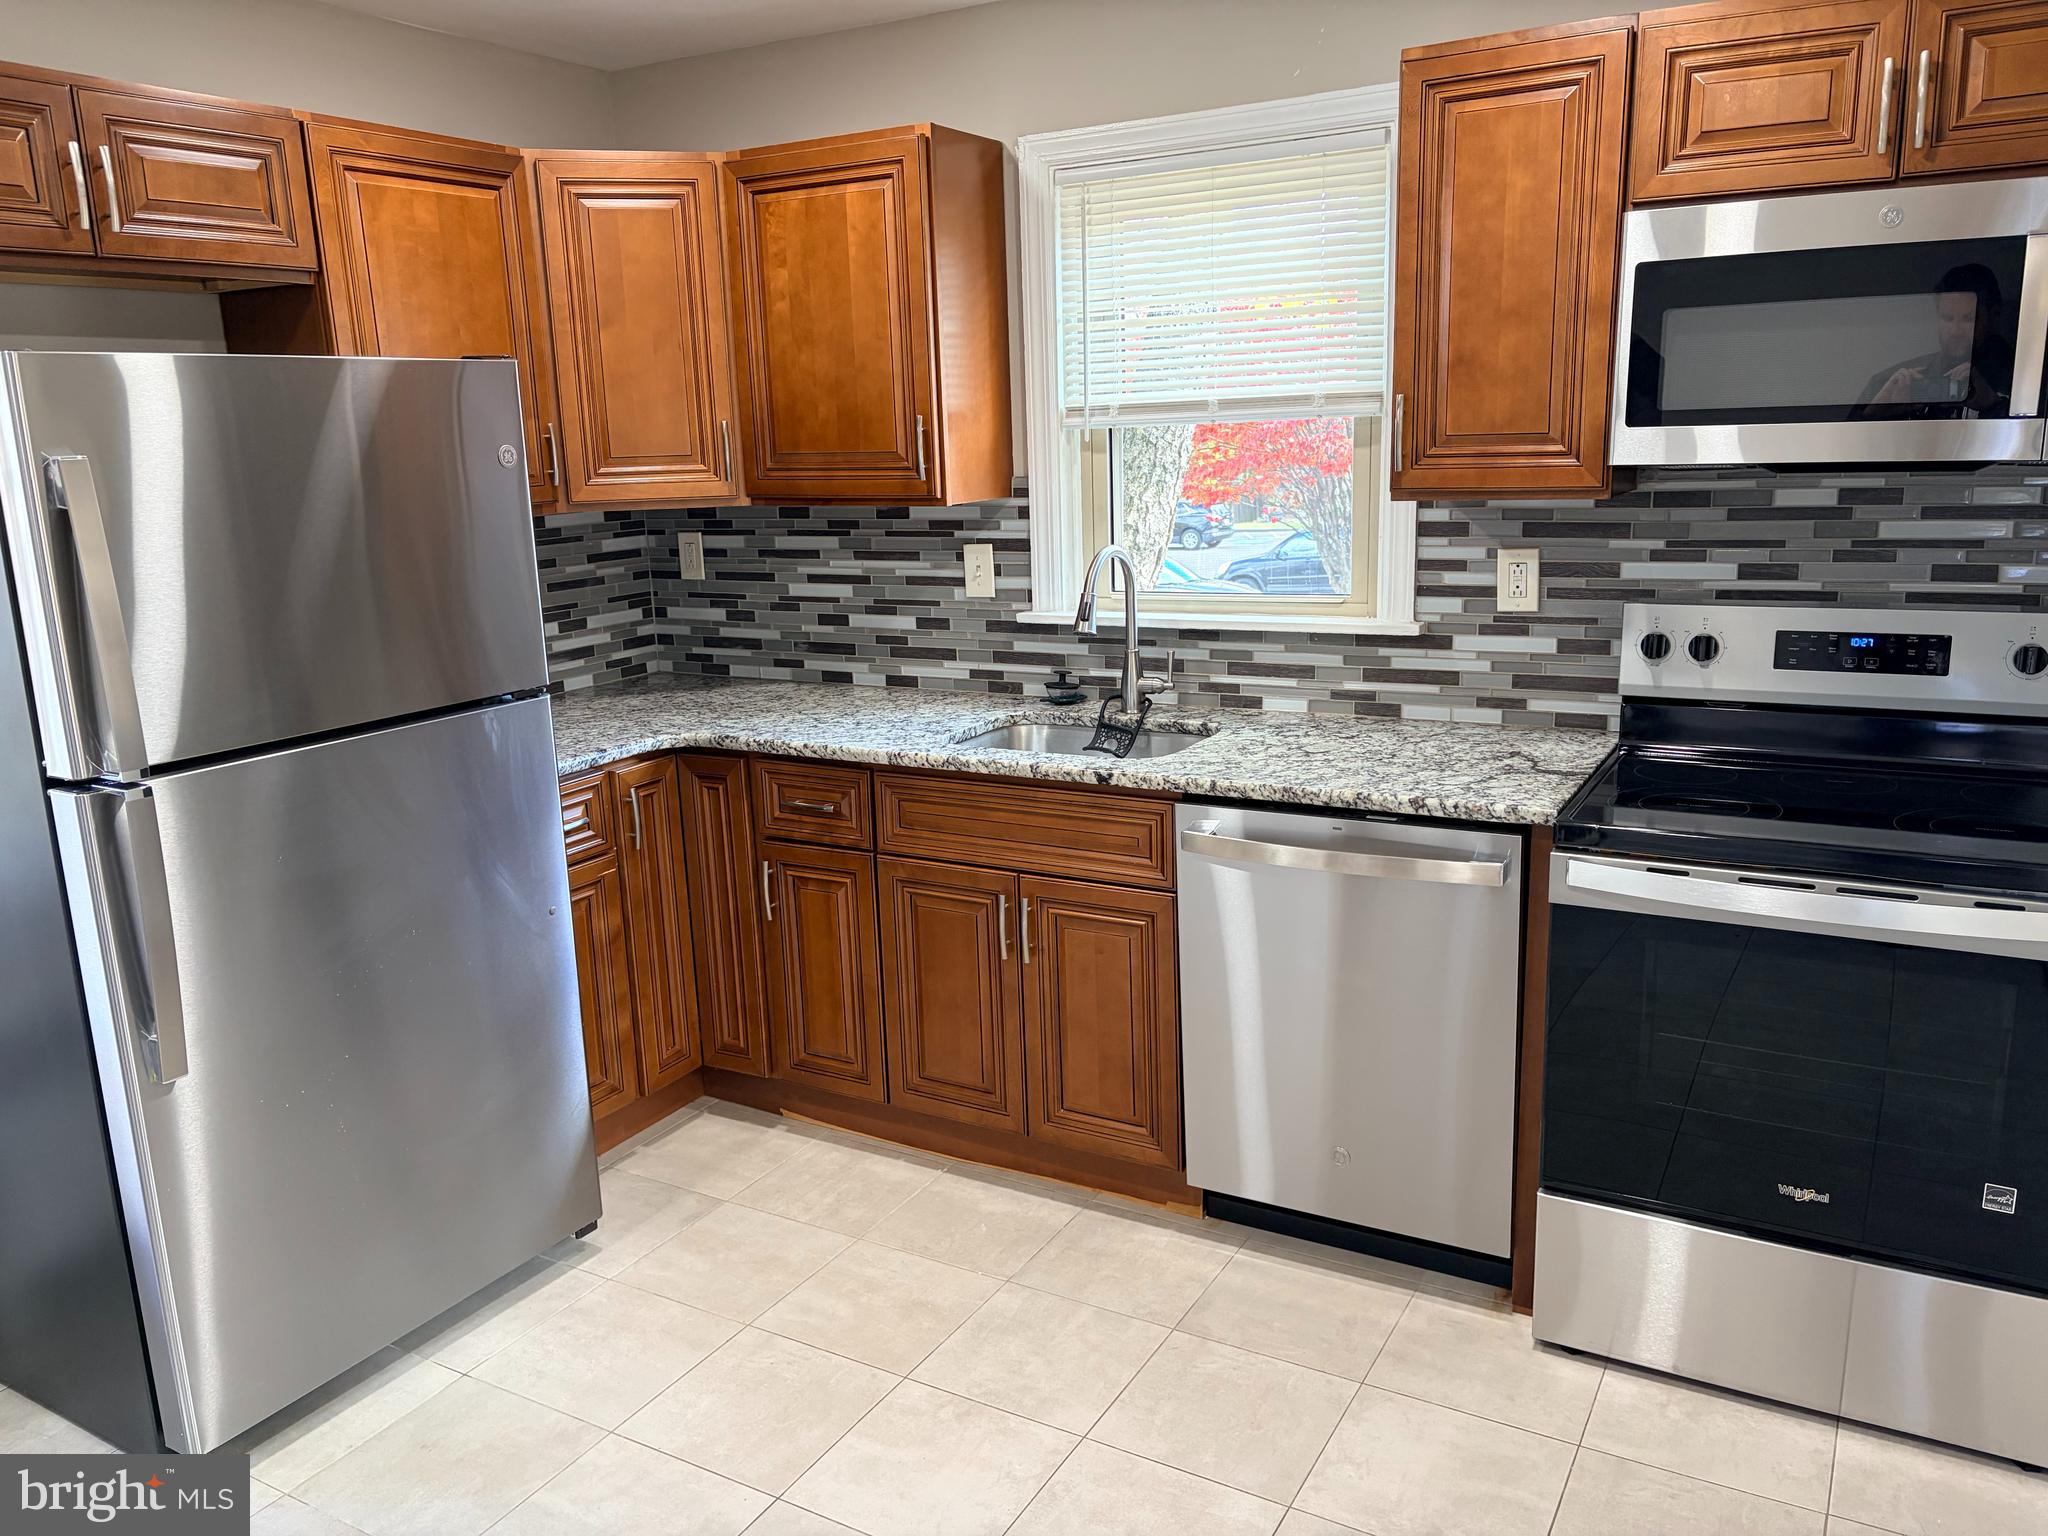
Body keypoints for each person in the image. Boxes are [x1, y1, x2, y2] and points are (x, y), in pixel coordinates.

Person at [1854, 263, 2013, 419]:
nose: (1955, 331)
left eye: (1969, 319)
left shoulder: (2022, 380)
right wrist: (1874, 413)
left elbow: (2030, 437)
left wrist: (1993, 405)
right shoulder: (1898, 380)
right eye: (1947, 318)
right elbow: (1844, 440)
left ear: (1994, 315)